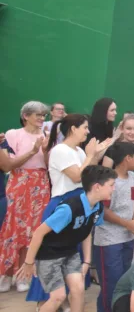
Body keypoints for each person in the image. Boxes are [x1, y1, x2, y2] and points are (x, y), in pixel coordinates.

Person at [15, 165, 115, 312]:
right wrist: (29, 262)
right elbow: (38, 233)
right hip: (49, 255)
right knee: (58, 297)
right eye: (111, 185)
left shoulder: (97, 207)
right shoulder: (69, 208)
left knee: (78, 289)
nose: (114, 189)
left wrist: (87, 261)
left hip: (70, 252)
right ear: (97, 187)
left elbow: (87, 230)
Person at [0, 101, 52, 293]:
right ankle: (5, 273)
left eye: (44, 115)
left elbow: (49, 165)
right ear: (26, 116)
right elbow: (7, 165)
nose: (41, 118)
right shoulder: (13, 134)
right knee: (12, 228)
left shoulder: (46, 135)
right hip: (19, 183)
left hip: (40, 185)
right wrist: (32, 151)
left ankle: (23, 275)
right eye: (38, 114)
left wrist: (45, 151)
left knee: (32, 230)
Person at [94, 143, 134, 312]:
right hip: (109, 240)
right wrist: (127, 223)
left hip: (127, 237)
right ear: (127, 158)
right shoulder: (110, 181)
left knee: (123, 282)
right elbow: (103, 211)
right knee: (111, 285)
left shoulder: (132, 176)